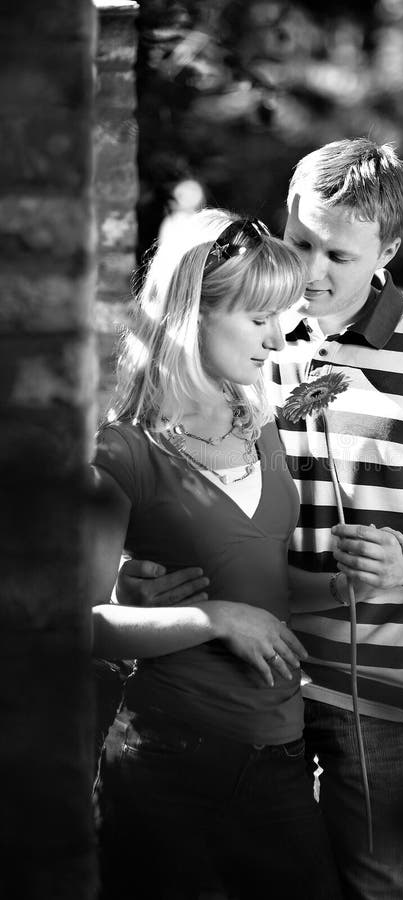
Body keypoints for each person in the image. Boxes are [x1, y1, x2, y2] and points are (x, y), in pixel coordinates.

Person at [118, 139, 403, 900]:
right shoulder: (251, 336)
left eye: (338, 255)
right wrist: (140, 573)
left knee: (378, 884)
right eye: (300, 241)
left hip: (370, 685)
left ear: (389, 250)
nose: (311, 271)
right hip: (239, 675)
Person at [90, 208, 344, 900]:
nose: (279, 334)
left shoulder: (261, 428)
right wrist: (215, 620)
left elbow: (265, 583)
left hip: (281, 754)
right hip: (169, 760)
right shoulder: (124, 451)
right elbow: (73, 621)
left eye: (280, 315)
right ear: (192, 315)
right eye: (258, 317)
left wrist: (352, 581)